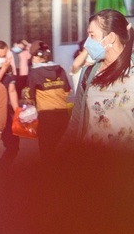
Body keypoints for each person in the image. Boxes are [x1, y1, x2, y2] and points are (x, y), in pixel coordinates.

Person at [67, 8, 134, 149]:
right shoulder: (88, 73)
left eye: (92, 35)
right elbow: (76, 121)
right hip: (93, 159)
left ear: (110, 38)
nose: (87, 43)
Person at [26, 43, 72, 152]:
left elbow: (30, 96)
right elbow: (67, 92)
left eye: (33, 56)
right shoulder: (60, 70)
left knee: (46, 150)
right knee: (61, 151)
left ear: (38, 57)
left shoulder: (34, 73)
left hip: (46, 116)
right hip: (63, 114)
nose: (32, 59)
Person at [0, 40, 21, 168]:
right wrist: (3, 69)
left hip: (6, 113)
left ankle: (2, 169)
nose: (0, 59)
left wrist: (17, 111)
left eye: (3, 56)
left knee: (13, 146)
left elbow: (12, 91)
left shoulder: (9, 68)